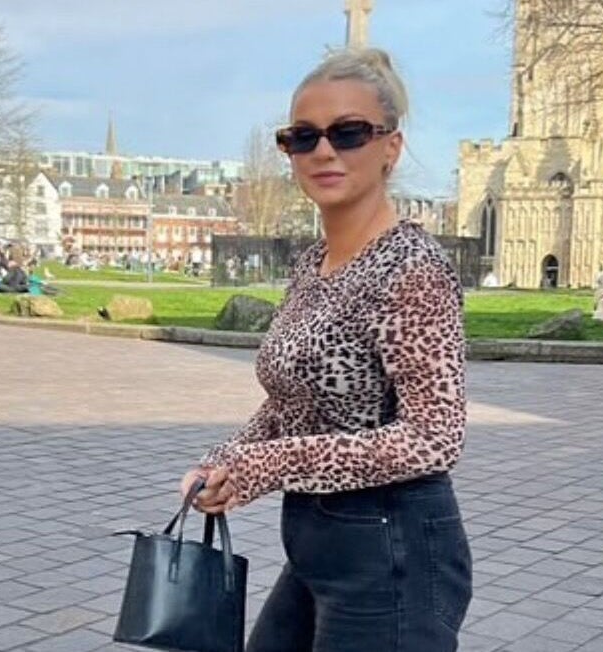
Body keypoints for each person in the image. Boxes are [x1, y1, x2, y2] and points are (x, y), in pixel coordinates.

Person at [179, 48, 471, 651]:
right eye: (303, 137)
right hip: (321, 543)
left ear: (390, 146)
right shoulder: (315, 263)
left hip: (393, 548)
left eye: (349, 132)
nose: (323, 151)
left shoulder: (411, 266)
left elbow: (434, 436)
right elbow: (293, 399)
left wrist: (267, 466)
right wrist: (226, 461)